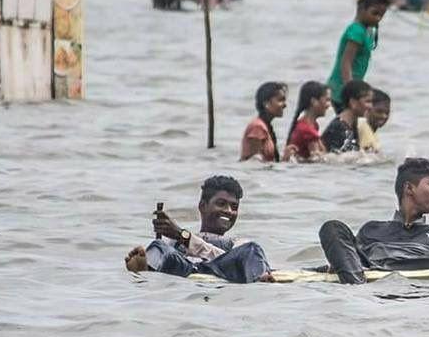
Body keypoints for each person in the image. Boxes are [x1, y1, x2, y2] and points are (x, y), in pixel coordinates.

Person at [318, 158, 429, 284]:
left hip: (401, 269)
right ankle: (356, 283)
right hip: (368, 268)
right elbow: (351, 257)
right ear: (409, 188)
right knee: (332, 228)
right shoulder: (372, 229)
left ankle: (379, 271)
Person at [125, 175, 274, 283]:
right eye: (221, 204)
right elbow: (170, 256)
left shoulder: (239, 243)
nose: (229, 211)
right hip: (187, 268)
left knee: (253, 249)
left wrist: (183, 237)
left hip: (222, 271)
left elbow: (235, 261)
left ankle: (261, 279)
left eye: (234, 207)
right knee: (159, 246)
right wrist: (177, 240)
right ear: (202, 206)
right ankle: (145, 267)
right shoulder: (176, 241)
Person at [326, 0, 390, 113]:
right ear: (361, 8)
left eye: (381, 16)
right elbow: (346, 62)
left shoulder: (364, 31)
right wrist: (351, 93)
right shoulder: (357, 31)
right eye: (374, 13)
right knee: (350, 125)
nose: (378, 19)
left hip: (347, 89)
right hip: (343, 90)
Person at [240, 82, 294, 162]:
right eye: (280, 100)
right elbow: (254, 164)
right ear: (266, 104)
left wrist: (285, 159)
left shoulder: (265, 126)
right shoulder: (257, 127)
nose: (285, 105)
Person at [321, 80, 372, 153]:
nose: (371, 106)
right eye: (368, 101)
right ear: (353, 102)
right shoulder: (338, 127)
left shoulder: (352, 125)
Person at [286, 81, 331, 161]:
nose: (329, 105)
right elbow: (317, 160)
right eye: (327, 100)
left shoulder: (310, 124)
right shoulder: (307, 130)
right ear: (314, 101)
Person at [357, 88, 390, 152]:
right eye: (379, 111)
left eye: (387, 112)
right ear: (366, 109)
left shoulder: (372, 130)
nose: (384, 116)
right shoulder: (363, 126)